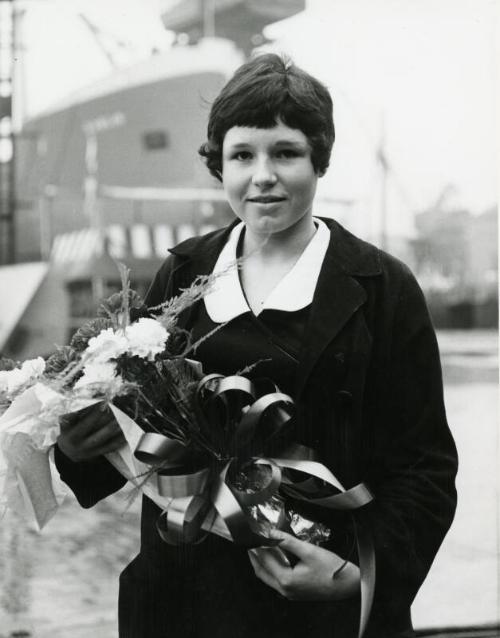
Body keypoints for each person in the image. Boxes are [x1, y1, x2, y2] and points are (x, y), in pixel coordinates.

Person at [54, 53, 458, 638]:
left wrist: (359, 574)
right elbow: (139, 437)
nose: (262, 175)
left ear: (319, 160)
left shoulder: (383, 289)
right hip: (181, 600)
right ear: (219, 165)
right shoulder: (185, 274)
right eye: (242, 155)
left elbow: (425, 468)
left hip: (318, 607)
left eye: (286, 152)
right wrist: (80, 445)